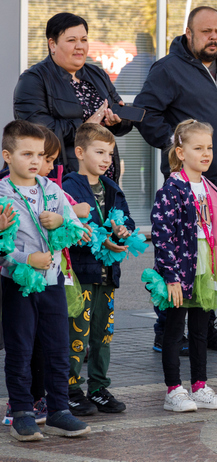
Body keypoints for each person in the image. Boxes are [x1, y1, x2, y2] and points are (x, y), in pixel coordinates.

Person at [135, 5, 217, 354]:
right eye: (206, 31)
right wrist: (176, 145)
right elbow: (146, 114)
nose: (214, 37)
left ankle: (204, 328)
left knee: (210, 259)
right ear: (189, 34)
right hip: (185, 191)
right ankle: (166, 331)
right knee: (178, 258)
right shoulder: (168, 69)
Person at [1, 120, 90, 441]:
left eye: (39, 154)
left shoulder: (51, 189)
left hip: (53, 281)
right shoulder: (2, 193)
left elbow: (79, 230)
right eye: (27, 154)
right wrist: (25, 258)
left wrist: (61, 220)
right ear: (7, 156)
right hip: (17, 284)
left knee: (57, 347)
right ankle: (22, 412)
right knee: (20, 348)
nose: (36, 161)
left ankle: (59, 410)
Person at [146, 120, 217, 412]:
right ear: (181, 153)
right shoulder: (172, 189)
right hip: (180, 269)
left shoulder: (211, 188)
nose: (206, 153)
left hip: (206, 267)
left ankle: (200, 386)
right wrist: (170, 276)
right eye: (198, 148)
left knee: (200, 329)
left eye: (209, 147)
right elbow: (162, 235)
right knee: (173, 330)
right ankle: (173, 390)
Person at [62, 124, 133, 416]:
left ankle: (98, 388)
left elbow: (126, 221)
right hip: (82, 275)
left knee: (103, 335)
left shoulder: (112, 187)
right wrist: (99, 237)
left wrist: (123, 232)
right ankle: (70, 389)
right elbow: (70, 227)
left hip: (108, 274)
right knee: (77, 335)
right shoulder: (68, 186)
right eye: (100, 152)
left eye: (110, 154)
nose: (106, 159)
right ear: (80, 152)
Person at [14, 13, 132, 183]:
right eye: (71, 40)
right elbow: (37, 133)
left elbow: (121, 119)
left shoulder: (97, 75)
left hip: (104, 179)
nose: (80, 46)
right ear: (52, 44)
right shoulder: (34, 79)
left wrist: (118, 121)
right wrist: (85, 128)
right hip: (61, 179)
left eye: (84, 40)